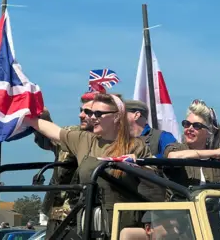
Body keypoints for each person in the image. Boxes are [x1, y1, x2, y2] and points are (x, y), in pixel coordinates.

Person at [26, 93, 153, 232]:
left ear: (117, 116)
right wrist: (27, 116)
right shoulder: (84, 140)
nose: (92, 117)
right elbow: (54, 131)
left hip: (123, 223)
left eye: (98, 113)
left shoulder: (136, 146)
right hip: (89, 224)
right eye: (91, 113)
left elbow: (153, 187)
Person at [161, 99, 220, 239]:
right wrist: (214, 153)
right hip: (178, 226)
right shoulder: (175, 148)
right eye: (187, 124)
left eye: (197, 126)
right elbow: (174, 157)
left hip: (209, 225)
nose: (190, 128)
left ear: (209, 132)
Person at [35, 90, 111, 234]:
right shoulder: (71, 132)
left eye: (88, 111)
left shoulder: (109, 140)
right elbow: (47, 141)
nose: (81, 115)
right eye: (81, 110)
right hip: (58, 212)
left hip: (90, 213)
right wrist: (43, 116)